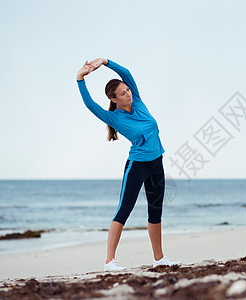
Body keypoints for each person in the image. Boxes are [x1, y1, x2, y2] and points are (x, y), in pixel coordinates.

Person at [76, 58, 181, 271]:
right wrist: (80, 78)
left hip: (156, 163)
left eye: (127, 90)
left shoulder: (138, 102)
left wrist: (105, 62)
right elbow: (89, 104)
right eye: (123, 93)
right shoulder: (114, 118)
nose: (128, 94)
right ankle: (109, 262)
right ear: (114, 100)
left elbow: (126, 73)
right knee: (124, 210)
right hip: (137, 166)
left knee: (155, 211)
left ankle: (159, 259)